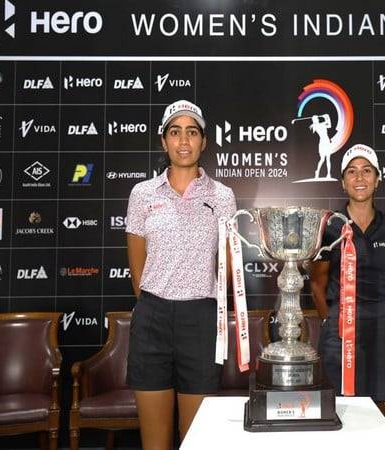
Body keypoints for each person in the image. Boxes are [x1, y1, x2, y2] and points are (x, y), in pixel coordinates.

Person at [125, 99, 236, 450]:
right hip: (152, 319)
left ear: (204, 141)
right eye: (175, 132)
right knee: (154, 444)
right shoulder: (142, 194)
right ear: (164, 141)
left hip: (200, 321)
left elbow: (228, 266)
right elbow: (137, 269)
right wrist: (155, 302)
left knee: (195, 442)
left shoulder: (223, 196)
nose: (183, 140)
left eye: (192, 132)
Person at [310, 144, 385, 421]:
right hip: (339, 326)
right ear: (342, 182)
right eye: (352, 172)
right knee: (340, 409)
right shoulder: (330, 227)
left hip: (381, 323)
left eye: (366, 171)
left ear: (377, 179)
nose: (359, 178)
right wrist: (333, 320)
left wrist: (377, 313)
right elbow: (317, 282)